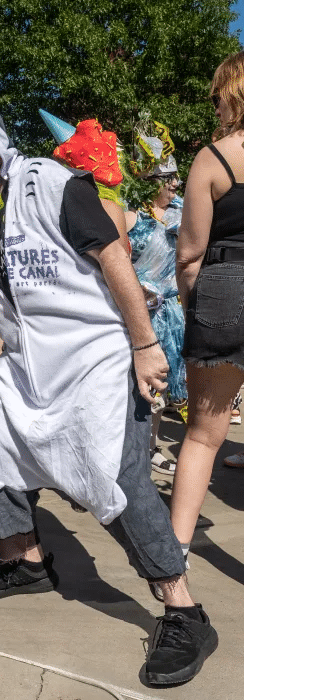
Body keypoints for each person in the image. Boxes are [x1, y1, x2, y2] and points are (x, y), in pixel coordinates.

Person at [0, 93, 217, 686]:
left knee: (115, 476)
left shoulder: (51, 185)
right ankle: (24, 560)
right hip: (31, 367)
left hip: (97, 358)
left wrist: (144, 344)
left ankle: (184, 610)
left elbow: (113, 258)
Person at [171, 52, 244, 554]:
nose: (214, 105)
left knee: (200, 436)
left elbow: (189, 254)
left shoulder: (212, 159)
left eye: (217, 95)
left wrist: (191, 308)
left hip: (224, 282)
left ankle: (171, 558)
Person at [124, 142, 186, 476]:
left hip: (170, 316)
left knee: (162, 384)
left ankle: (150, 447)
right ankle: (130, 451)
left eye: (176, 176)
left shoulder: (184, 212)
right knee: (133, 386)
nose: (175, 183)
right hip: (136, 313)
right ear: (150, 179)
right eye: (167, 177)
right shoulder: (131, 215)